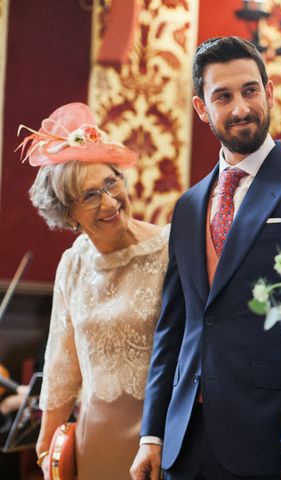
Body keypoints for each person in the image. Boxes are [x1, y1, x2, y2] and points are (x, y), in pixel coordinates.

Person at [130, 37, 281, 480]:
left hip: (267, 436)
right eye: (223, 96)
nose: (241, 107)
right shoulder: (188, 205)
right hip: (183, 439)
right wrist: (152, 432)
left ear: (269, 92)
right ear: (201, 108)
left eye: (250, 90)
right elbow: (175, 323)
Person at [20, 102, 170, 479]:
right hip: (94, 442)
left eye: (111, 182)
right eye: (90, 196)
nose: (109, 202)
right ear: (68, 214)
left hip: (161, 438)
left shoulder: (171, 249)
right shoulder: (72, 265)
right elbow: (60, 367)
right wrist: (47, 447)